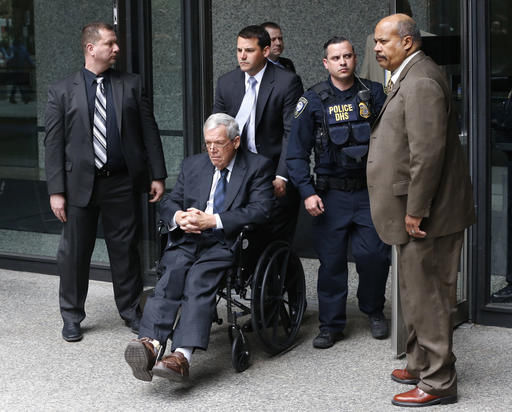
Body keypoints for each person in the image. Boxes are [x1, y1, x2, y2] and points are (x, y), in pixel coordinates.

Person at [368, 14, 475, 407]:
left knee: (429, 296)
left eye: (384, 41)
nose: (377, 48)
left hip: (429, 213)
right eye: (376, 41)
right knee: (415, 292)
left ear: (408, 43)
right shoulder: (410, 75)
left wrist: (416, 210)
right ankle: (418, 362)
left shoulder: (423, 81)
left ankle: (438, 382)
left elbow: (427, 155)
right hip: (416, 210)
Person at [124, 113, 275, 382]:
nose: (213, 150)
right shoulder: (194, 165)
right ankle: (150, 345)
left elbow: (261, 211)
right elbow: (169, 202)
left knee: (198, 280)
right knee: (172, 276)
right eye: (208, 144)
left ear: (236, 141)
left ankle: (181, 356)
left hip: (225, 242)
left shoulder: (257, 167)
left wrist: (214, 220)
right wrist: (179, 217)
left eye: (219, 143)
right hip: (189, 239)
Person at [44, 22, 167, 342]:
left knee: (125, 250)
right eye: (110, 44)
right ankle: (71, 316)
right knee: (73, 253)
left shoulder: (131, 84)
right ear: (91, 48)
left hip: (121, 183)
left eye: (116, 44)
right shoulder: (61, 90)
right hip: (77, 186)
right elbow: (54, 144)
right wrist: (56, 191)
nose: (116, 49)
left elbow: (148, 131)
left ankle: (130, 310)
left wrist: (157, 175)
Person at [287, 36, 390, 349]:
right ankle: (331, 325)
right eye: (336, 58)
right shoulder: (313, 100)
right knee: (331, 262)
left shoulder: (372, 94)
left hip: (368, 192)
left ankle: (373, 309)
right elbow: (296, 153)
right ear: (326, 63)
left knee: (374, 256)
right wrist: (306, 192)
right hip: (330, 194)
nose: (343, 62)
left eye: (347, 56)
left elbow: (391, 140)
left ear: (355, 58)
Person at [213, 25, 303, 243]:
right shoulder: (227, 83)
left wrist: (282, 175)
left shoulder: (286, 82)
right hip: (239, 172)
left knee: (275, 241)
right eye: (239, 50)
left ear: (265, 51)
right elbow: (218, 128)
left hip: (273, 171)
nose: (242, 56)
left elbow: (292, 132)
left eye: (249, 51)